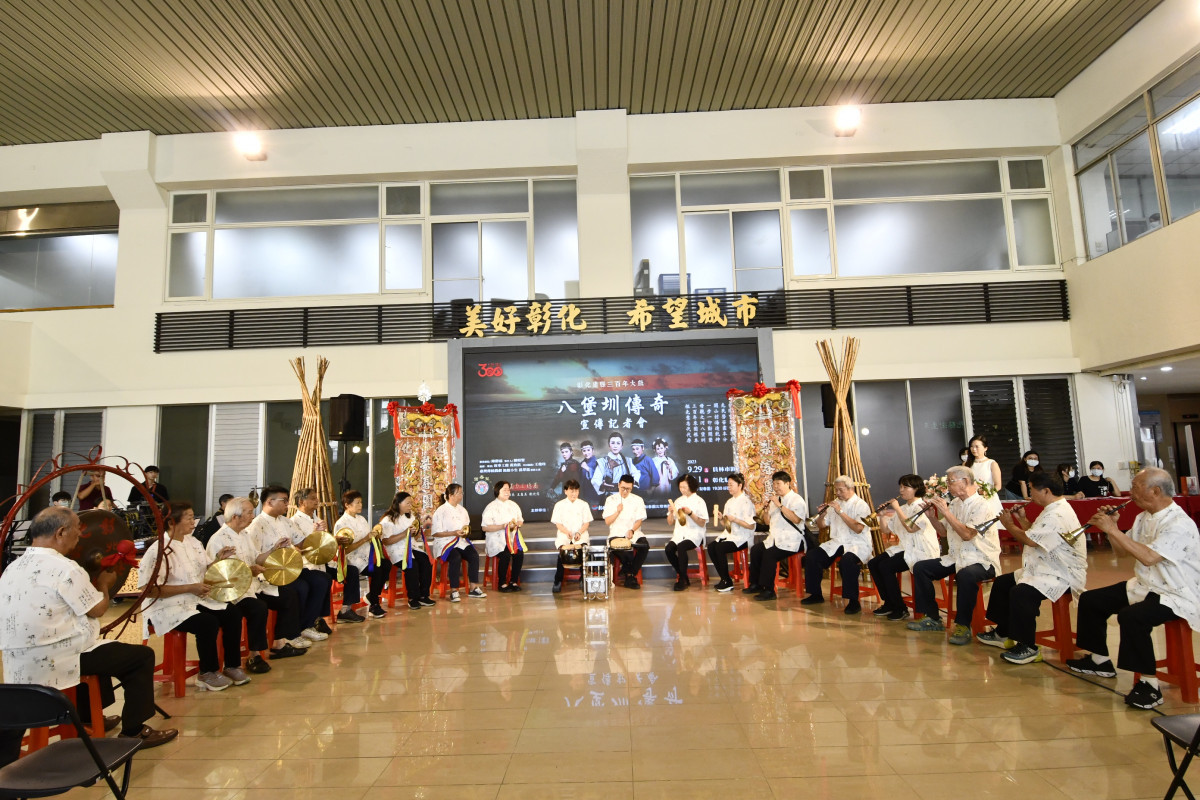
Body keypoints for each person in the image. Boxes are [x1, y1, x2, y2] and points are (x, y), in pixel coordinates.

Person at [0, 507, 178, 766]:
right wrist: (105, 584)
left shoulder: (12, 568)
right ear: (60, 533)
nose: (80, 537)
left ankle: (87, 716)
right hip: (59, 658)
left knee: (101, 646)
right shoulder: (65, 568)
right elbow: (98, 609)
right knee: (139, 656)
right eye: (77, 531)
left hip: (17, 662)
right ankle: (134, 730)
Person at [1068, 468, 1200, 709]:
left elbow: (1149, 557)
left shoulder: (1178, 523)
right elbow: (1122, 553)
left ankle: (1150, 686)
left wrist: (1113, 530)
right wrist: (1113, 529)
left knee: (1133, 617)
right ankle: (1100, 660)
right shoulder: (1143, 517)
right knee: (1091, 600)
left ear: (1156, 491)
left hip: (1175, 591)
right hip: (1145, 585)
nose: (1132, 492)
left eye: (1136, 487)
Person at [138, 501, 259, 691]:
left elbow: (205, 569)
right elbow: (149, 589)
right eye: (188, 517)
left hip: (194, 598)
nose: (193, 521)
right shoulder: (158, 550)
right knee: (207, 622)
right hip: (168, 605)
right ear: (171, 522)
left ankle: (232, 665)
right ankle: (207, 672)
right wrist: (189, 588)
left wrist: (219, 559)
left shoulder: (193, 542)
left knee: (232, 613)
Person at [977, 472, 1086, 664]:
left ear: (1046, 491)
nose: (1029, 493)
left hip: (1061, 573)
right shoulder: (1051, 508)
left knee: (1021, 593)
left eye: (1032, 488)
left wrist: (1009, 525)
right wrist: (1022, 519)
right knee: (1003, 583)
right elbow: (1037, 534)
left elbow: (1030, 540)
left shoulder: (1058, 513)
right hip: (1045, 567)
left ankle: (1028, 646)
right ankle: (1003, 632)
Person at [207, 496, 309, 663]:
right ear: (235, 517)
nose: (252, 516)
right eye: (248, 513)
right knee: (258, 607)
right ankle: (254, 655)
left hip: (253, 585)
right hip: (234, 592)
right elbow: (218, 576)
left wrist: (274, 549)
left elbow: (257, 558)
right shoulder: (219, 539)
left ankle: (279, 643)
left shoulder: (244, 534)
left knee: (288, 595)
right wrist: (249, 571)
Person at [907, 465, 1002, 645]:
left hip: (981, 559)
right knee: (921, 567)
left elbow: (967, 535)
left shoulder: (983, 505)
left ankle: (963, 626)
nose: (948, 486)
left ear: (965, 481)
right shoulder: (956, 503)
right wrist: (932, 517)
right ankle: (932, 617)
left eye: (951, 482)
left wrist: (947, 512)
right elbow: (943, 532)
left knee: (966, 575)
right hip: (957, 556)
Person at [867, 474, 940, 621]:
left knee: (886, 566)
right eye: (900, 486)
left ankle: (900, 608)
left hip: (921, 549)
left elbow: (910, 528)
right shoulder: (903, 507)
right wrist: (882, 516)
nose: (901, 490)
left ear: (916, 489)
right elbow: (886, 531)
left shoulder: (922, 506)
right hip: (904, 548)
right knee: (873, 563)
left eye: (905, 487)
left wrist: (896, 509)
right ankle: (889, 603)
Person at [801, 475, 872, 614]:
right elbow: (822, 526)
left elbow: (858, 528)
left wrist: (840, 511)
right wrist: (821, 514)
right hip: (837, 542)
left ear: (851, 488)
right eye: (836, 491)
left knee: (847, 562)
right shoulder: (834, 503)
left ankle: (853, 601)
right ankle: (816, 594)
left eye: (841, 490)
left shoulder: (861, 505)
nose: (838, 493)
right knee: (812, 556)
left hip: (857, 543)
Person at [743, 471, 807, 601]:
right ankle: (755, 584)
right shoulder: (774, 500)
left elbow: (796, 519)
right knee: (756, 550)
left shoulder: (797, 500)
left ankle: (769, 590)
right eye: (774, 484)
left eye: (778, 484)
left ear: (787, 483)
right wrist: (766, 512)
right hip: (775, 538)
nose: (776, 487)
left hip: (792, 540)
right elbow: (767, 522)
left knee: (769, 554)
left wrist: (779, 505)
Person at [333, 489, 394, 618]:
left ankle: (371, 596)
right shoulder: (341, 524)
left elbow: (368, 537)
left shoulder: (361, 519)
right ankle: (374, 604)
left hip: (368, 554)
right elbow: (345, 550)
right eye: (357, 503)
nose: (360, 505)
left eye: (361, 502)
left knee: (387, 564)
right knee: (377, 569)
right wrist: (365, 539)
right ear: (347, 505)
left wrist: (375, 535)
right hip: (352, 558)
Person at [287, 487, 335, 636]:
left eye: (316, 498)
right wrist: (314, 533)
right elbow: (300, 545)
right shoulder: (294, 521)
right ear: (301, 502)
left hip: (319, 560)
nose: (317, 501)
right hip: (305, 563)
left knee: (330, 577)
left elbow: (322, 542)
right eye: (313, 498)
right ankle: (309, 622)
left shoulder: (316, 518)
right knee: (321, 581)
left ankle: (318, 617)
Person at [430, 483, 486, 602]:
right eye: (459, 493)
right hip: (445, 543)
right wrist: (453, 533)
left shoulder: (463, 510)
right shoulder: (441, 511)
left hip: (460, 541)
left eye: (462, 492)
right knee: (455, 557)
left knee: (474, 555)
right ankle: (454, 590)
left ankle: (473, 587)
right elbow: (435, 533)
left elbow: (465, 527)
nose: (461, 495)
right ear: (451, 495)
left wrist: (464, 533)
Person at [378, 491, 434, 610]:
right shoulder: (387, 519)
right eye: (407, 503)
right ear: (398, 503)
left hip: (410, 547)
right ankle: (413, 598)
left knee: (425, 560)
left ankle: (424, 595)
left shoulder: (410, 517)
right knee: (412, 564)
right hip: (395, 550)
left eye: (411, 503)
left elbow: (414, 537)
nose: (410, 506)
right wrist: (405, 533)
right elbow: (386, 541)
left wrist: (418, 532)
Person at [708, 473, 755, 592]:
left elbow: (751, 525)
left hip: (742, 537)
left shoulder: (746, 502)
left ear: (740, 485)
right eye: (728, 485)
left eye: (731, 485)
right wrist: (720, 518)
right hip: (730, 535)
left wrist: (735, 520)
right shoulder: (729, 502)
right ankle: (725, 578)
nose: (728, 487)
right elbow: (726, 525)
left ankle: (727, 581)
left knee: (720, 548)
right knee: (712, 547)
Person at [665, 474, 708, 591]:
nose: (682, 490)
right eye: (680, 487)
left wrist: (690, 513)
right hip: (679, 534)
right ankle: (683, 575)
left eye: (684, 487)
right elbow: (670, 522)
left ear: (691, 486)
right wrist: (670, 512)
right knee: (668, 549)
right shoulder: (678, 501)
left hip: (694, 534)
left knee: (681, 547)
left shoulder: (699, 501)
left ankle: (682, 580)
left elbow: (702, 523)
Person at [604, 474, 648, 589]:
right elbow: (608, 521)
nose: (625, 491)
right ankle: (630, 576)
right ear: (618, 485)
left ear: (632, 487)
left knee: (644, 546)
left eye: (628, 489)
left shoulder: (638, 500)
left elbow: (639, 520)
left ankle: (628, 571)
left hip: (634, 532)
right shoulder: (611, 499)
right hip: (616, 533)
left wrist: (632, 530)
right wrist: (617, 512)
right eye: (623, 488)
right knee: (623, 550)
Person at [482, 481, 525, 592]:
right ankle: (501, 583)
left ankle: (513, 581)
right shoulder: (491, 507)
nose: (507, 492)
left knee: (519, 554)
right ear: (497, 491)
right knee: (505, 554)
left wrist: (516, 524)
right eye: (504, 489)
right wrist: (502, 526)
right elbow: (485, 527)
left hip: (511, 539)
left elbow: (520, 520)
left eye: (508, 489)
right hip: (496, 539)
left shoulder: (513, 505)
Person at [550, 480, 592, 593]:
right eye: (571, 491)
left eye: (576, 491)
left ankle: (583, 579)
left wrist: (579, 532)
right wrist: (566, 532)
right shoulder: (559, 505)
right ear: (565, 491)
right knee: (562, 553)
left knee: (582, 552)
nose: (574, 493)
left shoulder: (584, 504)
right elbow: (558, 523)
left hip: (580, 535)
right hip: (564, 535)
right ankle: (557, 581)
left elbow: (586, 523)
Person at [592, 431, 639, 498]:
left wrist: (631, 482)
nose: (615, 446)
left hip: (626, 495)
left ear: (621, 446)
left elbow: (636, 473)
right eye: (613, 443)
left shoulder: (628, 461)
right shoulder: (602, 462)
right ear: (609, 445)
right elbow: (595, 479)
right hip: (609, 496)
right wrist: (603, 485)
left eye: (618, 443)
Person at [964, 435, 1003, 500]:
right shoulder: (966, 464)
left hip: (988, 498)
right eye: (971, 446)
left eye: (977, 447)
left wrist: (987, 494)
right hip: (971, 498)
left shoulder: (992, 463)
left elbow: (998, 485)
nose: (974, 449)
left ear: (985, 448)